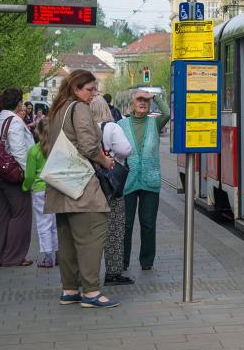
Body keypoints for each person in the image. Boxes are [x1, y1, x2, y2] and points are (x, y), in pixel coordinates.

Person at [42, 69, 119, 309]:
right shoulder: (79, 108)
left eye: (95, 89)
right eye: (90, 89)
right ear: (76, 88)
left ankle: (70, 289)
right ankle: (92, 292)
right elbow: (88, 145)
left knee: (67, 241)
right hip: (81, 186)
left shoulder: (58, 110)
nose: (94, 94)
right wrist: (105, 161)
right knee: (91, 237)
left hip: (60, 185)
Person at [0, 88, 35, 267]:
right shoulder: (14, 121)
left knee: (0, 217)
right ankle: (14, 257)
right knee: (20, 214)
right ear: (19, 103)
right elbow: (19, 150)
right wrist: (29, 174)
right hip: (12, 176)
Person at [120, 90, 169, 272]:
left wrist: (153, 96)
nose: (142, 103)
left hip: (150, 180)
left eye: (145, 101)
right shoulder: (121, 125)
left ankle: (147, 260)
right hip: (128, 181)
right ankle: (122, 261)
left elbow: (168, 113)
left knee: (148, 223)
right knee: (126, 224)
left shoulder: (154, 122)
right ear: (132, 103)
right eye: (139, 100)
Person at [90, 95, 134, 285]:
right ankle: (113, 272)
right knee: (115, 227)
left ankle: (89, 273)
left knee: (91, 230)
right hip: (111, 183)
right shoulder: (112, 127)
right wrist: (112, 156)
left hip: (90, 184)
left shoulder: (85, 129)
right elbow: (126, 149)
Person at [23, 118, 57, 268]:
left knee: (44, 224)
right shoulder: (57, 148)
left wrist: (25, 187)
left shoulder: (34, 150)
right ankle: (59, 255)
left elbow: (29, 175)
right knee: (56, 224)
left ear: (39, 132)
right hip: (56, 189)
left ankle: (48, 257)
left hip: (40, 190)